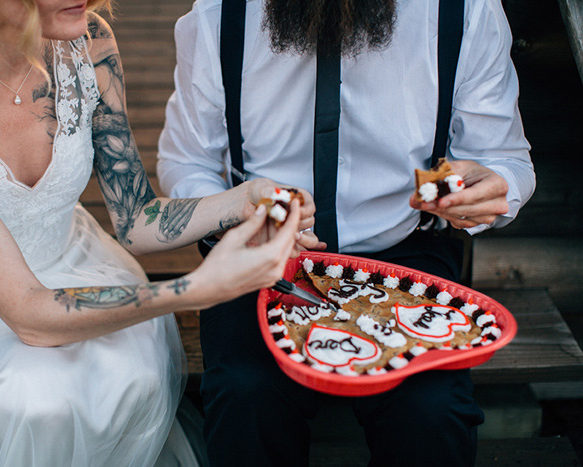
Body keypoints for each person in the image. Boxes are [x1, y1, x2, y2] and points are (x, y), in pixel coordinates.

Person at [0, 0, 317, 465]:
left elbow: (135, 219)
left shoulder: (89, 39)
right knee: (33, 399)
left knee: (125, 371)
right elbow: (28, 315)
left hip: (78, 265)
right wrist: (196, 289)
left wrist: (241, 200)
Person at [157, 0, 536, 465]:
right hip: (266, 258)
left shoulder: (464, 9)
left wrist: (488, 189)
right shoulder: (220, 13)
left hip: (404, 251)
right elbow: (186, 161)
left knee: (433, 414)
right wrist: (240, 219)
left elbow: (505, 160)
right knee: (244, 397)